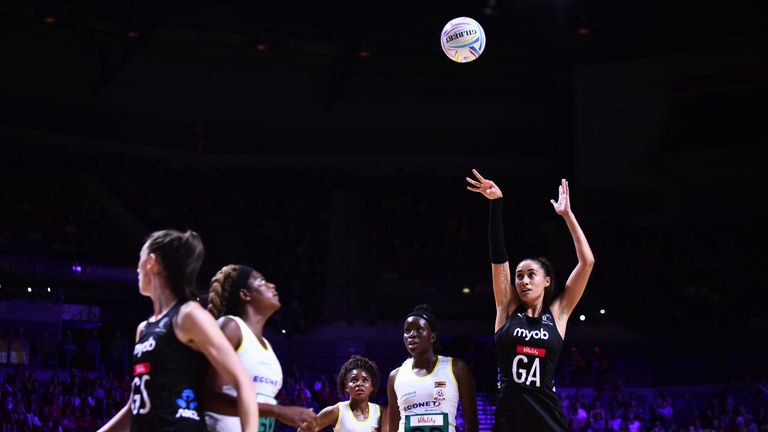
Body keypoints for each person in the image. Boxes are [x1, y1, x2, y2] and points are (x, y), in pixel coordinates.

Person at [466, 170, 595, 432]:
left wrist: (567, 216)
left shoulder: (558, 314)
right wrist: (496, 204)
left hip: (547, 416)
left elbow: (587, 262)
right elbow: (498, 257)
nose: (523, 281)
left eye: (531, 275)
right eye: (519, 276)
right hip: (509, 417)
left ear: (547, 280)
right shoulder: (507, 308)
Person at [98, 230, 259, 432]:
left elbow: (242, 381)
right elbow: (135, 408)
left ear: (151, 262)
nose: (137, 270)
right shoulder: (144, 329)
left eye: (139, 261)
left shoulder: (189, 315)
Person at [203, 264, 316, 432]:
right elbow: (207, 396)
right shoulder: (231, 327)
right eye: (262, 282)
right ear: (245, 294)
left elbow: (263, 409)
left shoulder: (267, 345)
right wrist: (279, 411)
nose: (272, 285)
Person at [386, 304, 478, 432]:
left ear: (432, 337)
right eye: (407, 331)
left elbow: (472, 425)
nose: (411, 335)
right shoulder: (395, 376)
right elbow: (392, 429)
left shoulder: (457, 368)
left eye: (419, 330)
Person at [302, 355, 384, 432]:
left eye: (365, 380)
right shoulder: (336, 411)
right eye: (354, 380)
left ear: (372, 386)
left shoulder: (380, 412)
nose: (359, 384)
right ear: (346, 387)